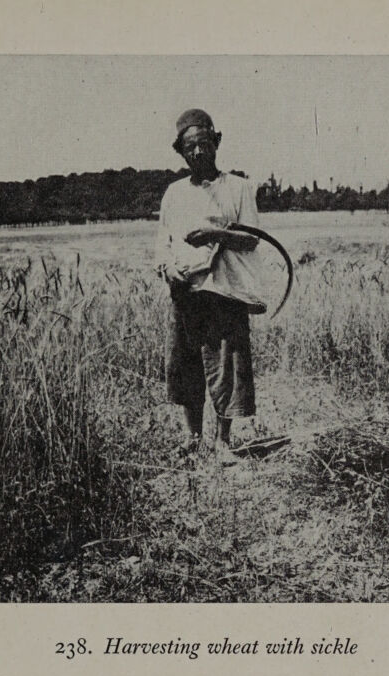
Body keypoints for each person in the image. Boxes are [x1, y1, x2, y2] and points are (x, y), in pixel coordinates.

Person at [155, 108, 264, 462]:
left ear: (216, 142)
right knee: (186, 363)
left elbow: (250, 240)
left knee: (226, 364)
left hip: (224, 289)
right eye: (190, 148)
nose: (198, 153)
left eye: (204, 144)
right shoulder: (173, 194)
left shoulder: (239, 187)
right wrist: (168, 268)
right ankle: (192, 437)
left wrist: (215, 234)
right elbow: (163, 243)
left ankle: (223, 442)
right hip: (186, 292)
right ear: (181, 152)